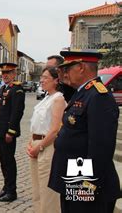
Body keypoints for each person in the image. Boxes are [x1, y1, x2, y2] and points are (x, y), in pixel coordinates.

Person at [48, 50, 120, 213]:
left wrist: (87, 185)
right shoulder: (83, 92)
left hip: (85, 183)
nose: (64, 73)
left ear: (80, 67)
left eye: (67, 69)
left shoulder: (98, 97)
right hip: (73, 176)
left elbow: (100, 148)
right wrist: (62, 77)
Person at [26, 67, 65, 213]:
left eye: (45, 78)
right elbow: (37, 124)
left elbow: (55, 129)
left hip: (47, 146)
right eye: (41, 77)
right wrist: (31, 142)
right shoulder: (47, 98)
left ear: (56, 80)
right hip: (37, 143)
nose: (41, 80)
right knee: (37, 189)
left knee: (47, 190)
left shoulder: (58, 99)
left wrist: (39, 146)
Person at [0, 62, 25, 202]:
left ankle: (12, 191)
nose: (5, 75)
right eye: (3, 73)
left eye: (8, 73)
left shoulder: (17, 90)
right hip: (0, 129)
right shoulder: (3, 88)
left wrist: (11, 131)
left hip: (8, 131)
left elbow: (17, 112)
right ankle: (6, 187)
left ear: (14, 74)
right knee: (3, 161)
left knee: (9, 161)